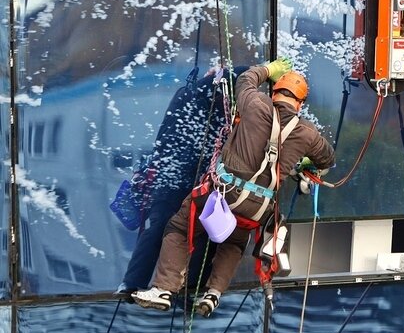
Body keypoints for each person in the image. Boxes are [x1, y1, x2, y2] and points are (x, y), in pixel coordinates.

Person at [132, 62, 335, 316]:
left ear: (274, 93)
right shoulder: (308, 133)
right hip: (260, 209)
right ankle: (213, 293)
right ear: (300, 104)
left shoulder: (256, 103)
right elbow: (327, 159)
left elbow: (246, 79)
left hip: (227, 195)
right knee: (234, 242)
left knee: (181, 227)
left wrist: (268, 68)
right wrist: (305, 162)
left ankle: (163, 289)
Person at [115, 67, 244, 295]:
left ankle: (131, 283)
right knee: (204, 230)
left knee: (159, 229)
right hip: (190, 181)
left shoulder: (184, 96)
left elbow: (165, 139)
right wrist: (262, 72)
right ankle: (191, 288)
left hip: (166, 180)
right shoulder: (212, 100)